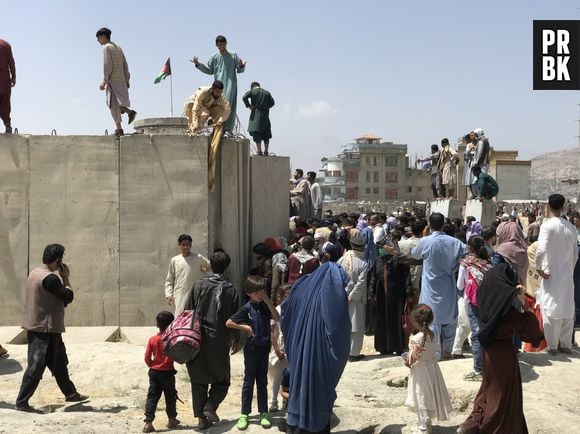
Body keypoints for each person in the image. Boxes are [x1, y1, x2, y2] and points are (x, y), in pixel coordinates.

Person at [458, 263, 543, 434]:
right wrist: (523, 304)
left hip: (488, 352)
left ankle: (473, 426)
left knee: (489, 390)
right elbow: (533, 335)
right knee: (503, 396)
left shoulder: (487, 304)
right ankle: (491, 428)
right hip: (504, 356)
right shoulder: (509, 314)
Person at [16, 244, 88, 412]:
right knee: (36, 366)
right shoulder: (51, 278)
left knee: (59, 362)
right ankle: (22, 402)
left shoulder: (35, 272)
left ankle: (71, 393)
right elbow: (68, 296)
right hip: (44, 328)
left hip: (44, 327)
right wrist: (66, 278)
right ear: (58, 260)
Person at [281, 262, 351, 434]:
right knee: (317, 398)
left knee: (299, 393)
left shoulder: (300, 287)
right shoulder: (333, 293)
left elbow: (285, 316)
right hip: (320, 363)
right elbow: (338, 331)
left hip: (298, 356)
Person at [185, 250, 241, 429]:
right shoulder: (230, 290)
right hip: (219, 340)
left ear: (210, 265)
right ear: (226, 267)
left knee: (199, 379)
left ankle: (202, 419)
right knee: (222, 380)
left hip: (197, 338)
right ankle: (210, 405)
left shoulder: (198, 285)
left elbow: (187, 312)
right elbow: (234, 319)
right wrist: (237, 338)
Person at [411, 213, 467, 360]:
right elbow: (466, 254)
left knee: (431, 320)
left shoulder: (426, 241)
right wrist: (454, 267)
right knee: (449, 319)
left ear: (429, 224)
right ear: (443, 224)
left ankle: (435, 355)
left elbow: (415, 254)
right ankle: (447, 351)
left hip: (431, 286)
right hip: (448, 285)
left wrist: (424, 236)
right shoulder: (454, 242)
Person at [226, 276, 279, 430]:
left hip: (264, 348)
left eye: (262, 291)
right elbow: (229, 322)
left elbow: (277, 317)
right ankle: (244, 414)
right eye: (258, 292)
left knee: (262, 381)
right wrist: (246, 328)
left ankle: (263, 412)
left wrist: (268, 300)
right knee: (249, 381)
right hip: (252, 349)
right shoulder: (247, 308)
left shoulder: (264, 306)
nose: (260, 295)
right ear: (249, 293)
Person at [535, 194, 578, 355]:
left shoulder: (548, 226)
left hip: (550, 272)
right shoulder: (571, 227)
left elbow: (541, 249)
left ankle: (553, 346)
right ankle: (566, 344)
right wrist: (570, 270)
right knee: (567, 307)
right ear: (563, 207)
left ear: (548, 206)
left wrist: (539, 268)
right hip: (566, 273)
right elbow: (575, 254)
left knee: (549, 307)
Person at [404, 304, 452, 433]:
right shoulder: (432, 334)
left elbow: (413, 358)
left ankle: (423, 426)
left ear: (414, 321)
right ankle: (427, 422)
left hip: (420, 370)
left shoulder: (416, 338)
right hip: (432, 368)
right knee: (429, 394)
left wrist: (406, 360)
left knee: (420, 395)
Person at [192, 35, 245, 134]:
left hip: (230, 85)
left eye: (223, 44)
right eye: (219, 45)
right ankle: (218, 128)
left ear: (226, 44)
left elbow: (239, 70)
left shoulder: (233, 55)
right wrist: (198, 65)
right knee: (218, 107)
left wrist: (241, 66)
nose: (222, 46)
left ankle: (228, 130)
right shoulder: (214, 57)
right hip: (218, 87)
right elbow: (209, 71)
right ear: (216, 45)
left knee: (228, 106)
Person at [457, 236, 492, 381]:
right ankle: (490, 366)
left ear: (469, 248)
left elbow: (460, 285)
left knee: (476, 335)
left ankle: (478, 369)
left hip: (472, 302)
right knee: (487, 333)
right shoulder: (489, 263)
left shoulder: (465, 264)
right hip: (488, 303)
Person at [369, 234, 410, 355]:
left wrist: (409, 294)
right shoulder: (378, 260)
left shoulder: (400, 260)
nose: (382, 249)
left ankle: (397, 346)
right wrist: (371, 294)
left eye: (385, 247)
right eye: (381, 247)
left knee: (396, 319)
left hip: (397, 296)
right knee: (382, 320)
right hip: (381, 295)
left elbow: (407, 278)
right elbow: (373, 278)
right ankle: (383, 347)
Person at [96, 27, 137, 137]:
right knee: (116, 104)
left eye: (98, 38)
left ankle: (119, 129)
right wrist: (127, 80)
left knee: (112, 104)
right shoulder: (118, 47)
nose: (98, 40)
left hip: (112, 81)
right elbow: (125, 64)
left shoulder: (106, 48)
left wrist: (104, 82)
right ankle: (129, 113)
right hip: (121, 80)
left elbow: (107, 66)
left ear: (103, 36)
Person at [143, 311, 180, 433]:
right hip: (168, 372)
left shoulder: (152, 339)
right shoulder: (173, 339)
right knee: (170, 397)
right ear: (171, 325)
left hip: (154, 372)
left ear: (157, 324)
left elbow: (147, 357)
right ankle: (171, 419)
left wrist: (152, 366)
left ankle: (148, 423)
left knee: (152, 397)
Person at [337, 236, 369, 362]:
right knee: (356, 324)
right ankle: (354, 353)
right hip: (356, 299)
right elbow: (361, 283)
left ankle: (343, 351)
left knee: (344, 324)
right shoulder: (363, 263)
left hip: (341, 296)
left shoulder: (342, 259)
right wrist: (352, 296)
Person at [164, 234, 208, 315]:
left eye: (187, 244)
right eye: (183, 245)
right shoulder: (175, 260)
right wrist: (169, 294)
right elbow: (170, 279)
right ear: (179, 245)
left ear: (190, 245)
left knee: (195, 317)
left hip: (196, 294)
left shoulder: (198, 258)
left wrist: (204, 270)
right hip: (180, 294)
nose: (185, 247)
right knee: (179, 316)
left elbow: (210, 266)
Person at [268, 284, 291, 413]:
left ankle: (286, 399)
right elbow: (273, 331)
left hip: (290, 346)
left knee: (288, 375)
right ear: (280, 297)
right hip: (280, 346)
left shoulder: (294, 309)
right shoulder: (277, 310)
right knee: (278, 376)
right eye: (286, 296)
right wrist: (277, 349)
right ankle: (273, 401)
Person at [242, 82, 274, 155]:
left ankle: (259, 151)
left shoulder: (253, 91)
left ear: (252, 87)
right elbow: (272, 103)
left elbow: (244, 97)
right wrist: (265, 107)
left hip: (256, 113)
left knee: (256, 132)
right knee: (266, 133)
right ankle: (266, 151)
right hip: (265, 115)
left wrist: (249, 105)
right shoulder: (267, 93)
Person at [0, 38, 16, 134]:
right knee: (5, 103)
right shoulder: (6, 45)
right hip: (5, 80)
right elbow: (11, 62)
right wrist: (13, 77)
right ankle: (7, 125)